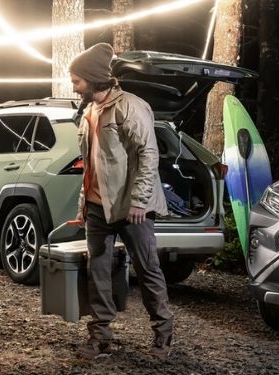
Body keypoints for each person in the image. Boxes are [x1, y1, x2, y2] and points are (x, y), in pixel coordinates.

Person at [70, 43, 174, 359]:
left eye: (77, 80)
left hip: (132, 208)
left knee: (147, 270)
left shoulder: (130, 107)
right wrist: (83, 208)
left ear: (93, 78)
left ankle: (163, 337)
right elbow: (90, 165)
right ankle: (100, 339)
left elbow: (148, 154)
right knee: (97, 274)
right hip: (98, 209)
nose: (73, 86)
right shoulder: (88, 112)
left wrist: (140, 201)